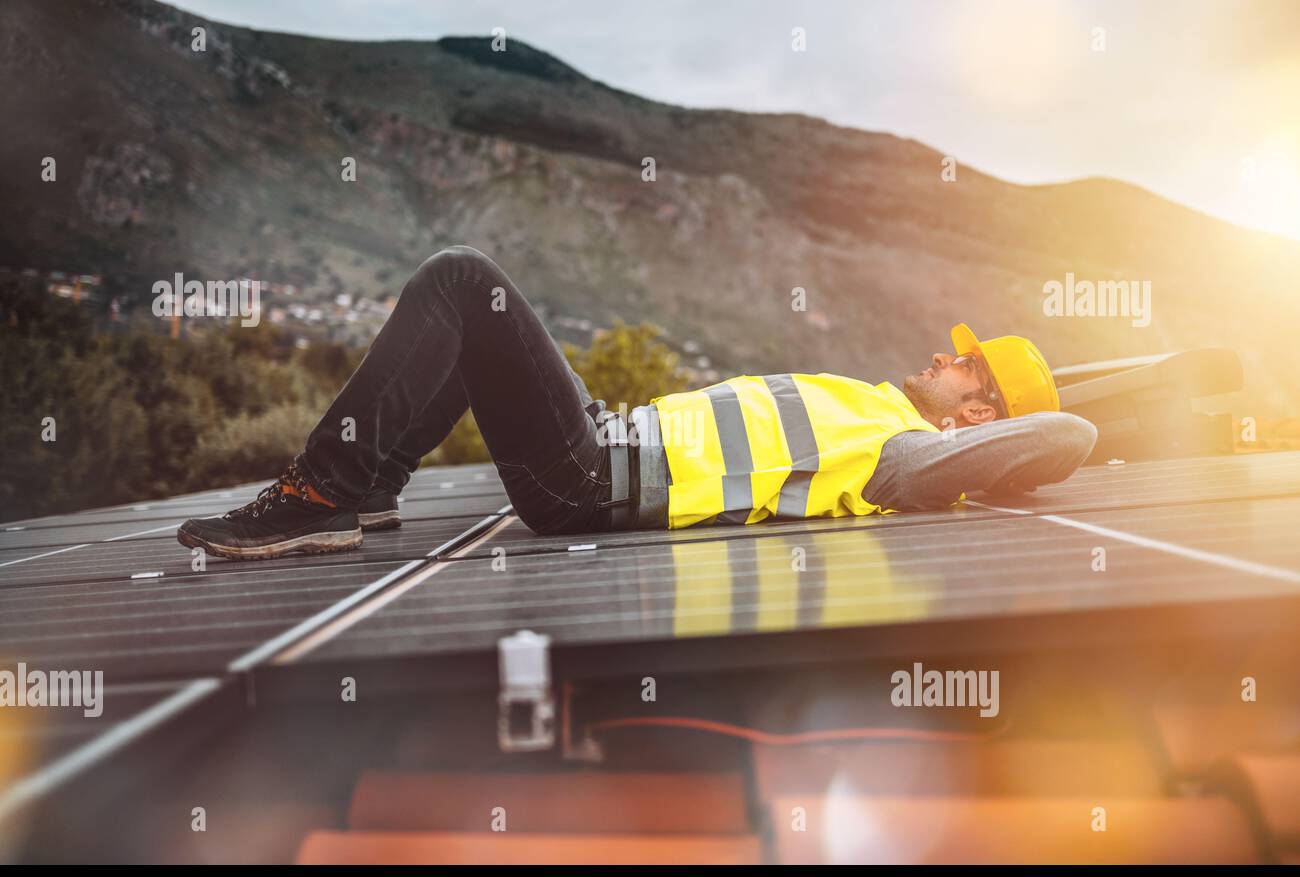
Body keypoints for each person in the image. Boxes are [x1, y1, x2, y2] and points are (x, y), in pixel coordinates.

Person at [177, 246, 1097, 560]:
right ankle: (370, 484)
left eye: (964, 366)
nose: (944, 352)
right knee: (482, 323)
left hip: (590, 479)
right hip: (605, 436)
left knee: (461, 280)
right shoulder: (876, 403)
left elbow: (1067, 432)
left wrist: (1016, 420)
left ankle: (323, 491)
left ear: (976, 418)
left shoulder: (905, 460)